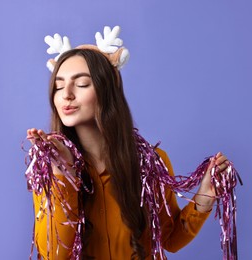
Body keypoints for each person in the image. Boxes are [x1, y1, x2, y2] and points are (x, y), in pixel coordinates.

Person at [26, 41, 230, 259]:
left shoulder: (151, 162)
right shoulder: (49, 167)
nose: (66, 94)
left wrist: (204, 198)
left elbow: (170, 240)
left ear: (107, 91)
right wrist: (63, 175)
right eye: (58, 86)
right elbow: (52, 254)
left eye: (82, 84)